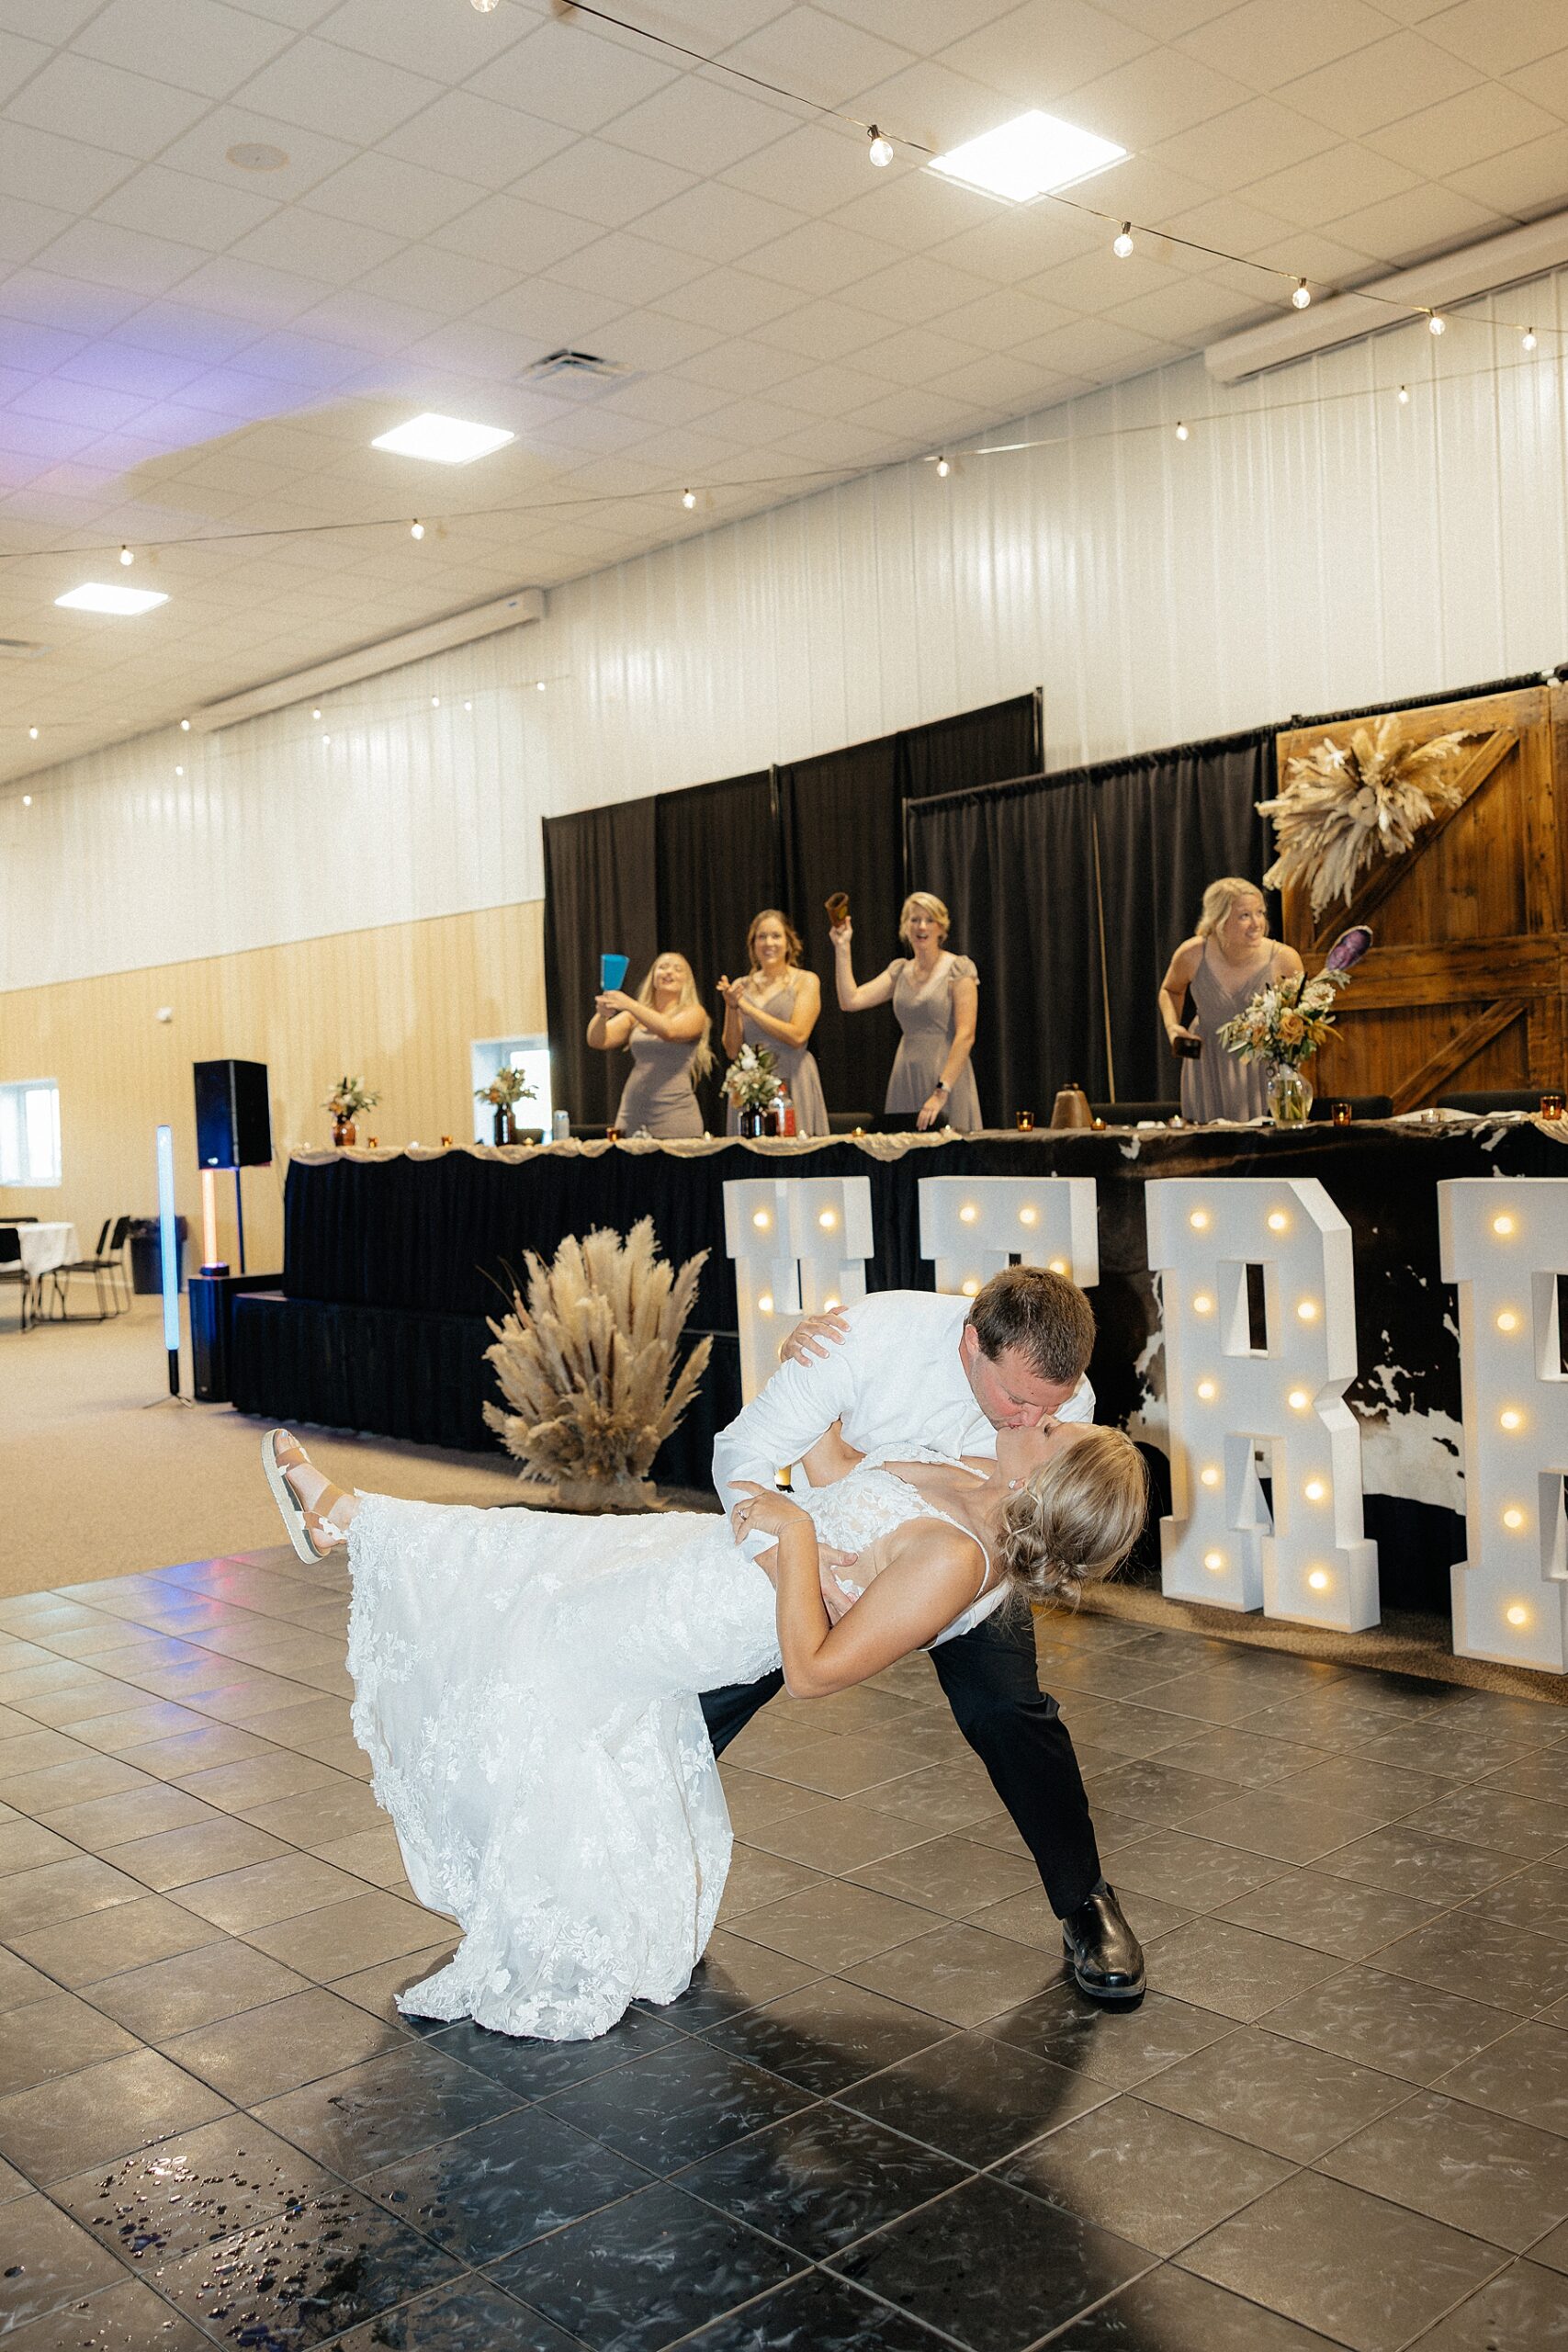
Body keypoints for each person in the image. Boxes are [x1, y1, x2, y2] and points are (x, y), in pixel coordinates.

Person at [261, 1407, 1145, 2043]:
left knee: (541, 1641)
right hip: (708, 1552)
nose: (1046, 1413)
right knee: (533, 1549)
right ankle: (349, 1521)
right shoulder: (969, 1476)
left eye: (1057, 1429)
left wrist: (798, 1538)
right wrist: (821, 1389)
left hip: (712, 1610)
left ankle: (353, 1526)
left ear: (1042, 1477)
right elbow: (840, 1472)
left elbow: (810, 1672)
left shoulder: (959, 1564)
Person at [708, 1265, 1146, 2005]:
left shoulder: (1057, 1396)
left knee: (1009, 1715)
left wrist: (952, 1582)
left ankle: (1085, 1901)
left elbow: (1042, 1517)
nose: (1028, 1417)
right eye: (1016, 1400)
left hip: (969, 1569)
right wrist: (794, 1566)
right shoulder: (864, 1338)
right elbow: (745, 1452)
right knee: (716, 1689)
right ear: (972, 1344)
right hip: (857, 1540)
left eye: (1051, 1406)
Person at [1158, 878, 1304, 1124]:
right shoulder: (1192, 954)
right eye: (1244, 916)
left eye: (1260, 913)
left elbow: (1300, 1021)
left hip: (1262, 1068)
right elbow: (1170, 990)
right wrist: (1173, 1028)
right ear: (1218, 920)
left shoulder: (1284, 959)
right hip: (1208, 1064)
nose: (1257, 924)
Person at [831, 890, 981, 1131]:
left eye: (929, 920)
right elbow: (850, 1000)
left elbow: (966, 1035)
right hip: (906, 1075)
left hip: (945, 1075)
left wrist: (941, 1091)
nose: (921, 926)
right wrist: (842, 947)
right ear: (905, 927)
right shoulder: (900, 970)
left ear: (941, 928)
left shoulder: (959, 968)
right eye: (914, 919)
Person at [717, 908, 829, 1136]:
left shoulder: (805, 981)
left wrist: (747, 1007)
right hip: (750, 1083)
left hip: (794, 1076)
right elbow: (731, 1050)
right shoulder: (741, 985)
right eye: (762, 937)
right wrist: (731, 1006)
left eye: (776, 936)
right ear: (753, 944)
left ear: (788, 943)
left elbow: (797, 1036)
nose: (769, 943)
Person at [587, 950, 712, 1138]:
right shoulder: (634, 1016)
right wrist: (602, 1014)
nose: (669, 972)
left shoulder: (695, 1013)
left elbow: (670, 1031)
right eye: (663, 967)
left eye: (677, 969)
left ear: (687, 981)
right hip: (632, 1116)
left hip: (675, 1117)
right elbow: (597, 1040)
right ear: (653, 977)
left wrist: (629, 1004)